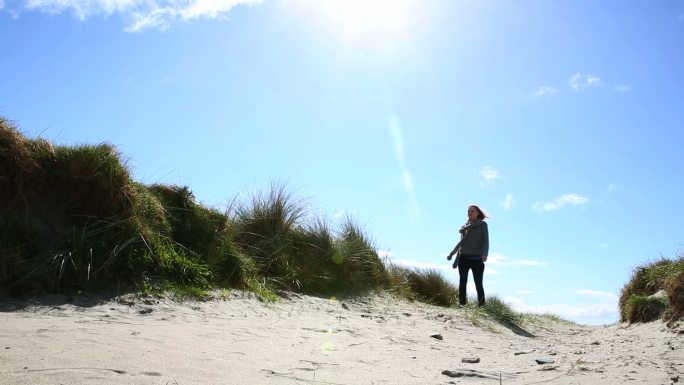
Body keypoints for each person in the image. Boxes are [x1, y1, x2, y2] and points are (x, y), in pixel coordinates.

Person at [446, 205, 489, 307]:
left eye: (472, 211)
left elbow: (485, 241)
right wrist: (456, 256)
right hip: (463, 258)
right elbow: (462, 243)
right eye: (468, 211)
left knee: (478, 284)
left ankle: (482, 306)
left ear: (478, 213)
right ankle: (462, 304)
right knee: (462, 282)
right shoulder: (465, 226)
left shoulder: (483, 225)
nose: (469, 212)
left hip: (477, 259)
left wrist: (485, 253)